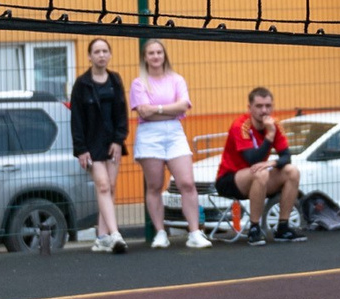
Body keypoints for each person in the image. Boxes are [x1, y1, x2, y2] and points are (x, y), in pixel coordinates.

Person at [130, 38, 211, 249]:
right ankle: (160, 233)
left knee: (187, 183)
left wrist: (156, 109)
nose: (156, 56)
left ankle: (194, 233)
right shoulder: (139, 83)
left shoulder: (177, 80)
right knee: (155, 185)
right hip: (149, 137)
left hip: (175, 134)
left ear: (164, 55)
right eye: (151, 53)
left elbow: (183, 106)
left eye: (159, 52)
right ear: (145, 58)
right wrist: (170, 109)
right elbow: (143, 112)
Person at [216, 87, 303, 243]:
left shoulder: (275, 124)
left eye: (268, 106)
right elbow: (252, 160)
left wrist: (273, 162)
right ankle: (254, 228)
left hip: (257, 178)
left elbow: (286, 157)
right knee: (260, 172)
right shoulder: (241, 126)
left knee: (292, 171)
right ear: (249, 108)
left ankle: (283, 227)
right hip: (230, 179)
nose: (264, 111)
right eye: (259, 106)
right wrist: (269, 136)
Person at [68, 37, 130, 254]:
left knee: (110, 188)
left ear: (110, 55)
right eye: (97, 51)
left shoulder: (115, 80)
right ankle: (116, 235)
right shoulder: (82, 84)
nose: (101, 55)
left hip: (112, 143)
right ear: (89, 56)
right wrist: (81, 149)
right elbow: (76, 119)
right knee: (102, 185)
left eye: (105, 51)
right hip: (91, 145)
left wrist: (118, 140)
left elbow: (122, 112)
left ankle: (101, 236)